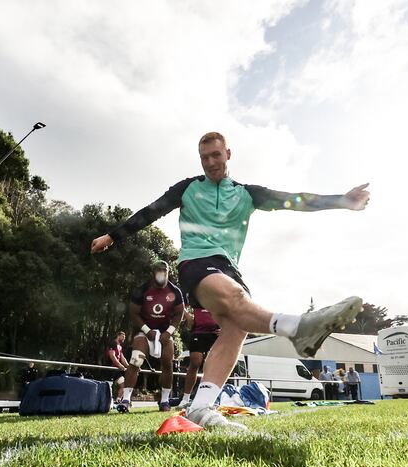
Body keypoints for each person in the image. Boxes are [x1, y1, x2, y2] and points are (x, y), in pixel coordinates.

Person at [91, 131, 368, 429]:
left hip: (229, 268)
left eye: (215, 155)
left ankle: (200, 407)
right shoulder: (188, 188)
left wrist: (342, 200)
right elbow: (151, 212)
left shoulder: (247, 193)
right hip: (196, 263)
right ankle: (296, 327)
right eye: (204, 157)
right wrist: (112, 236)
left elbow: (293, 200)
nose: (210, 162)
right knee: (236, 300)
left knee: (237, 327)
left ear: (228, 154)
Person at [117, 261, 184, 413]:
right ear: (152, 273)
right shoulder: (142, 290)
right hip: (145, 332)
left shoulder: (175, 291)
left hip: (165, 333)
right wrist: (147, 331)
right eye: (158, 270)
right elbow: (134, 313)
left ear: (168, 272)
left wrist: (169, 332)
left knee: (168, 363)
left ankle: (165, 399)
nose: (162, 273)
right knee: (135, 360)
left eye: (164, 270)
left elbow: (180, 313)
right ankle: (126, 399)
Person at [178, 305, 221, 408]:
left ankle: (213, 399)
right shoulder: (196, 293)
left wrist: (225, 327)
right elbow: (180, 302)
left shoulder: (219, 293)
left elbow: (229, 309)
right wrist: (187, 315)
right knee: (195, 362)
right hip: (199, 332)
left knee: (214, 365)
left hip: (216, 333)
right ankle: (185, 399)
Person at [105, 331, 129, 404]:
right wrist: (120, 365)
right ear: (118, 336)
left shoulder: (120, 347)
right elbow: (112, 356)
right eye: (123, 337)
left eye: (124, 337)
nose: (124, 338)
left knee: (124, 385)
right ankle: (108, 402)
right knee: (108, 386)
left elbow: (122, 358)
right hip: (110, 369)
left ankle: (118, 400)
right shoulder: (113, 343)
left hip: (116, 370)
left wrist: (129, 367)